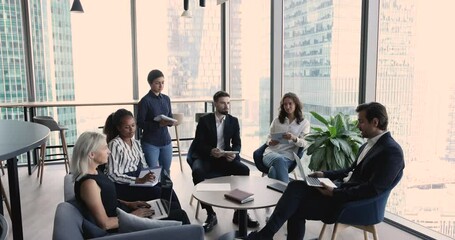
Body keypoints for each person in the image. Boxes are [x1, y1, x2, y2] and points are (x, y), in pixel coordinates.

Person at [246, 102, 405, 240]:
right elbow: (350, 171)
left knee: (295, 207)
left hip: (352, 204)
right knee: (296, 187)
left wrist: (334, 193)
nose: (357, 126)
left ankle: (264, 235)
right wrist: (324, 175)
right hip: (341, 190)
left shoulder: (391, 151)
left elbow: (373, 189)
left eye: (361, 122)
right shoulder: (368, 145)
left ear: (375, 122)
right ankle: (266, 235)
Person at [71, 132, 189, 232]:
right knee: (180, 215)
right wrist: (135, 216)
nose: (109, 152)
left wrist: (129, 203)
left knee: (170, 207)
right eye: (105, 148)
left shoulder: (95, 172)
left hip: (126, 213)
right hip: (125, 223)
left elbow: (106, 200)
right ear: (92, 154)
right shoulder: (89, 184)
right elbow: (105, 224)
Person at [190, 90, 259, 232]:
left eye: (228, 103)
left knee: (244, 170)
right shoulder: (204, 121)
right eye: (223, 103)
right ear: (215, 104)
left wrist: (234, 153)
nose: (226, 106)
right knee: (197, 172)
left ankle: (240, 213)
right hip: (207, 157)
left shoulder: (233, 121)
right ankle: (210, 214)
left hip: (225, 158)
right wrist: (210, 151)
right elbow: (198, 144)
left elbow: (237, 144)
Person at [103, 108, 181, 211]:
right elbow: (112, 175)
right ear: (118, 128)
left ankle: (177, 215)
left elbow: (143, 165)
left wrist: (150, 175)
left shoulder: (135, 142)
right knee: (157, 192)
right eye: (127, 127)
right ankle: (169, 215)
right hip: (122, 185)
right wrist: (139, 180)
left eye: (133, 125)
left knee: (168, 189)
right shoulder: (115, 145)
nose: (131, 130)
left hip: (138, 179)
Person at [262, 92, 310, 182]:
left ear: (296, 104)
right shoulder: (277, 120)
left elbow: (305, 143)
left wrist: (294, 138)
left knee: (273, 171)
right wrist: (270, 142)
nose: (287, 107)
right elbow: (268, 138)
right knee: (279, 160)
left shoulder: (305, 123)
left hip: (288, 157)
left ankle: (276, 193)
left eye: (290, 104)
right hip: (270, 153)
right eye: (285, 104)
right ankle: (287, 190)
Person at [137, 69, 174, 175]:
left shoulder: (166, 99)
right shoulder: (145, 101)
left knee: (166, 172)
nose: (161, 85)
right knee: (153, 173)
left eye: (163, 82)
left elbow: (170, 115)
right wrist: (158, 124)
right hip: (151, 142)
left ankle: (167, 191)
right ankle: (155, 191)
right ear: (150, 83)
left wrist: (170, 122)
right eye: (157, 83)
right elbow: (140, 123)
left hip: (166, 141)